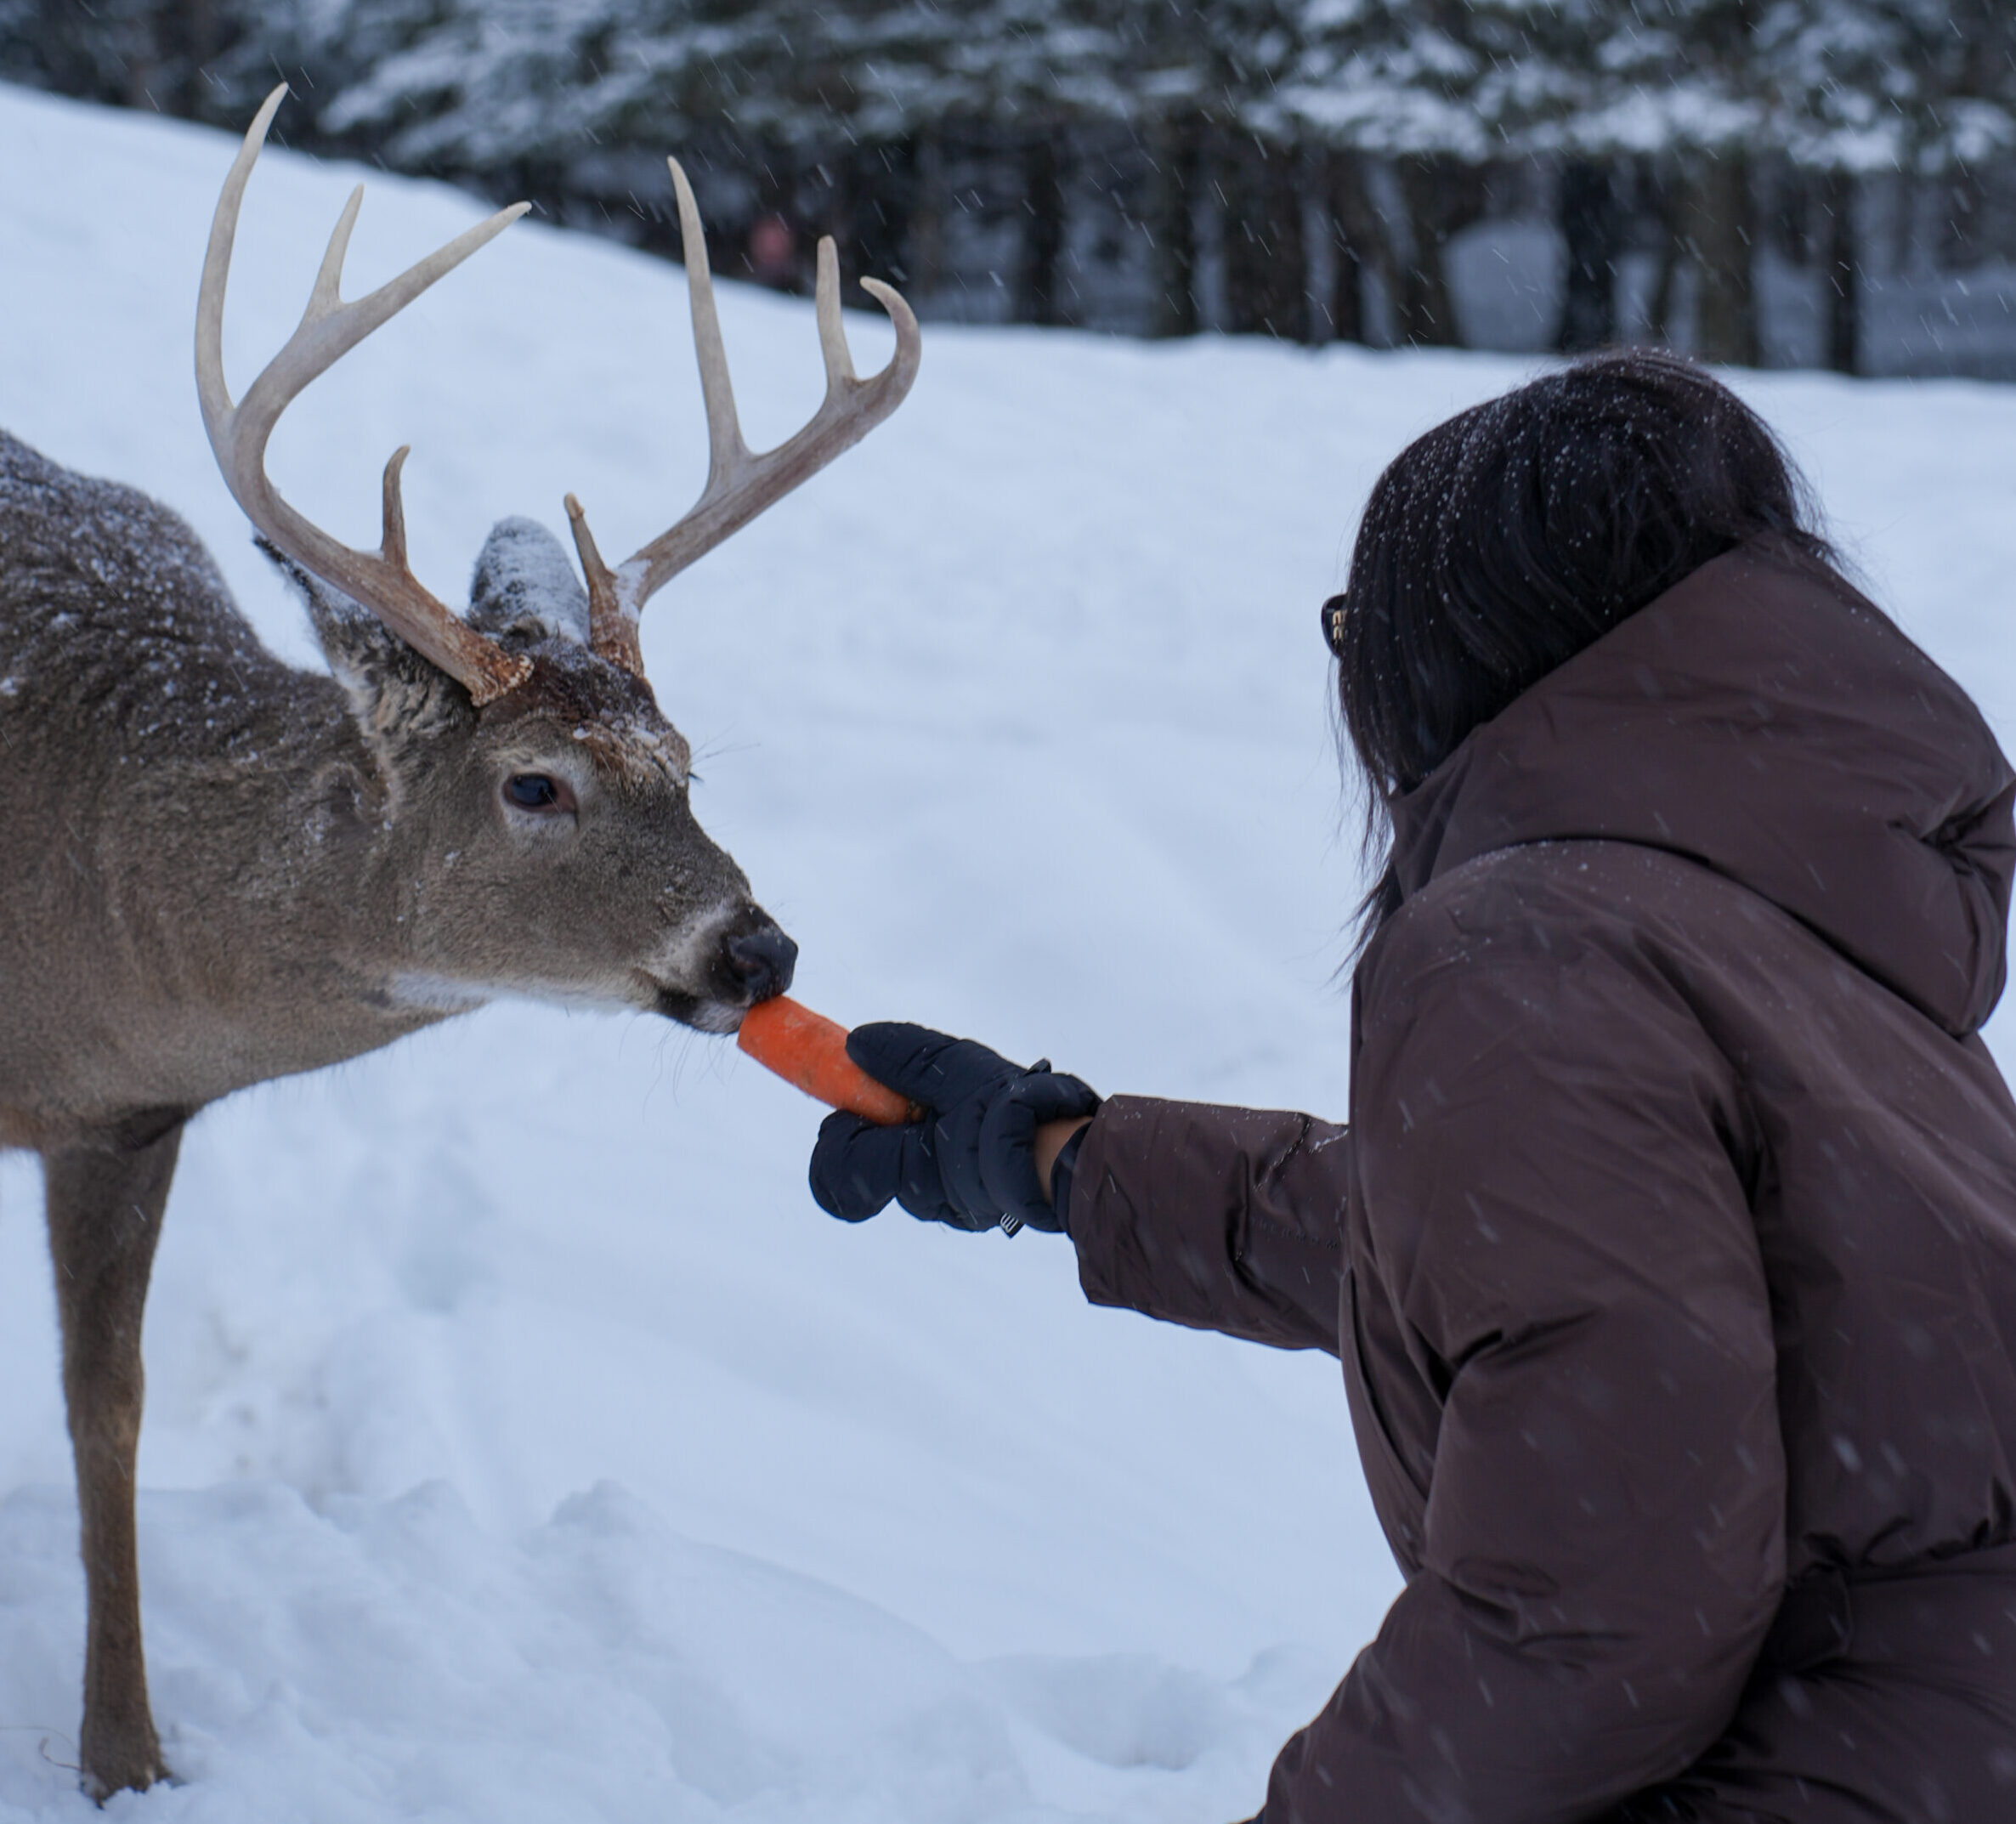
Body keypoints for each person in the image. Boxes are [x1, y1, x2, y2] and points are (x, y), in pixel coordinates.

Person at [806, 349, 2016, 1821]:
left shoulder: (1529, 945)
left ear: (1445, 654)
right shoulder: (1796, 915)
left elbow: (1598, 1607)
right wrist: (1065, 1162)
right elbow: (1552, 1261)